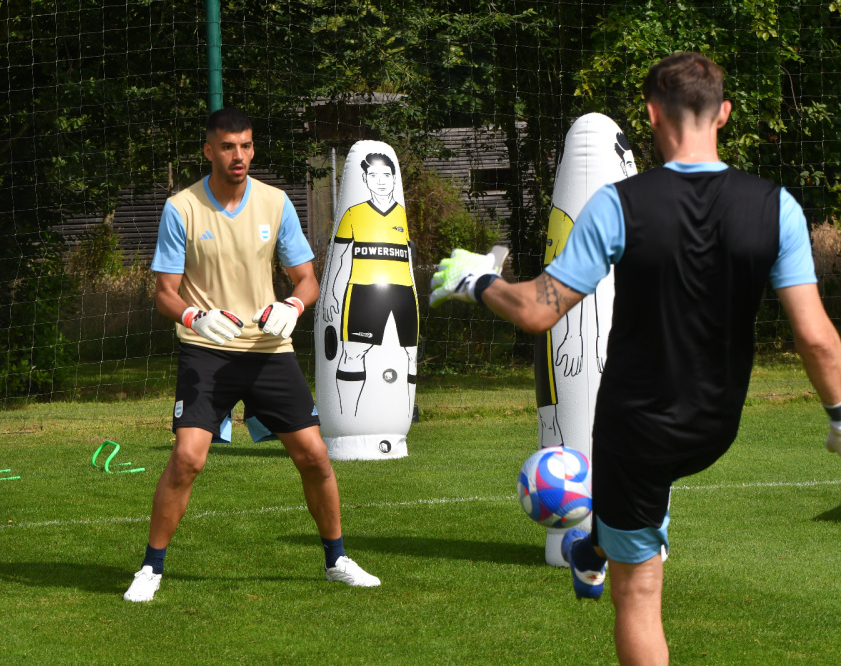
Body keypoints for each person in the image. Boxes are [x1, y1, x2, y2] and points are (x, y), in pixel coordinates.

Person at [430, 52, 841, 665]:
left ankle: (600, 547)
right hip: (716, 426)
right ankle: (594, 548)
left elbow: (538, 311)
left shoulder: (617, 204)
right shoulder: (777, 206)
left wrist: (478, 280)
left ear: (651, 114)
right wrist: (839, 416)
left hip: (637, 432)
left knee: (640, 594)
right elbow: (816, 337)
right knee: (636, 507)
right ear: (724, 114)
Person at [123, 108, 380, 602]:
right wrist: (194, 317)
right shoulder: (181, 208)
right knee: (187, 458)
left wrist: (293, 305)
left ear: (253, 148)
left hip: (268, 350)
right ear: (209, 151)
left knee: (315, 456)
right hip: (207, 350)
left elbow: (307, 280)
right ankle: (151, 569)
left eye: (245, 145)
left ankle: (337, 560)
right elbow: (165, 294)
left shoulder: (275, 203)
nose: (237, 155)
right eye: (227, 147)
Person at [322, 152, 418, 417]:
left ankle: (403, 416)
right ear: (364, 179)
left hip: (404, 293)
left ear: (394, 179)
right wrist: (331, 295)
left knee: (410, 355)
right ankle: (347, 418)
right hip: (362, 291)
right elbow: (339, 256)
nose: (381, 181)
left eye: (386, 175)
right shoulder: (353, 213)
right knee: (353, 352)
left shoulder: (401, 214)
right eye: (374, 175)